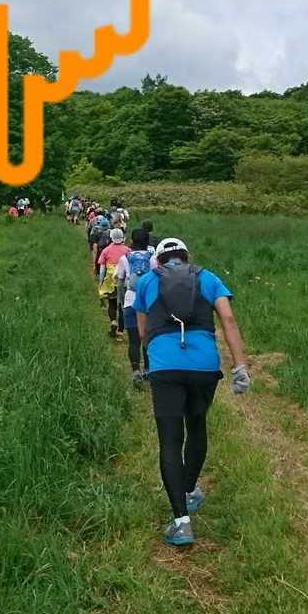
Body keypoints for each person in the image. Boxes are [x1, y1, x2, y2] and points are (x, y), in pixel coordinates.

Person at [132, 237, 251, 547]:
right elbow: (228, 319)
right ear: (187, 257)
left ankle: (181, 522)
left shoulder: (147, 282)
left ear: (158, 260)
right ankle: (189, 490)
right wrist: (240, 366)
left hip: (165, 365)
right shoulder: (208, 277)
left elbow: (143, 331)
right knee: (196, 426)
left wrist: (155, 357)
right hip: (204, 365)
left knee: (170, 440)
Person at [114, 227, 155, 380]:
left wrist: (121, 300)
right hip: (149, 303)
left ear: (131, 241)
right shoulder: (153, 259)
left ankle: (136, 371)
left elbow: (120, 281)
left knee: (133, 340)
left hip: (130, 301)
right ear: (147, 242)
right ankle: (148, 369)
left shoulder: (125, 258)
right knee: (148, 337)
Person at [95, 227, 131, 337]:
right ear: (122, 238)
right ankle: (120, 330)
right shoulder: (128, 250)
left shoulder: (106, 250)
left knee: (112, 303)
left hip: (111, 279)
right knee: (122, 305)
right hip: (123, 279)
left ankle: (113, 321)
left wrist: (101, 282)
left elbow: (102, 270)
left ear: (111, 238)